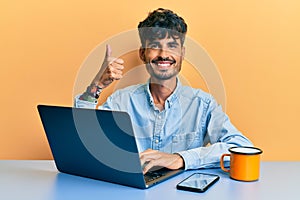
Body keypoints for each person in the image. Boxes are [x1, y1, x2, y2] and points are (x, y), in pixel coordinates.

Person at [75, 8, 253, 174]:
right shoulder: (120, 101)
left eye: (172, 46)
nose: (163, 54)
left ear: (182, 53)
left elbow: (241, 147)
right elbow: (84, 144)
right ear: (142, 54)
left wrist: (180, 158)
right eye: (154, 45)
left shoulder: (203, 105)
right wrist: (95, 87)